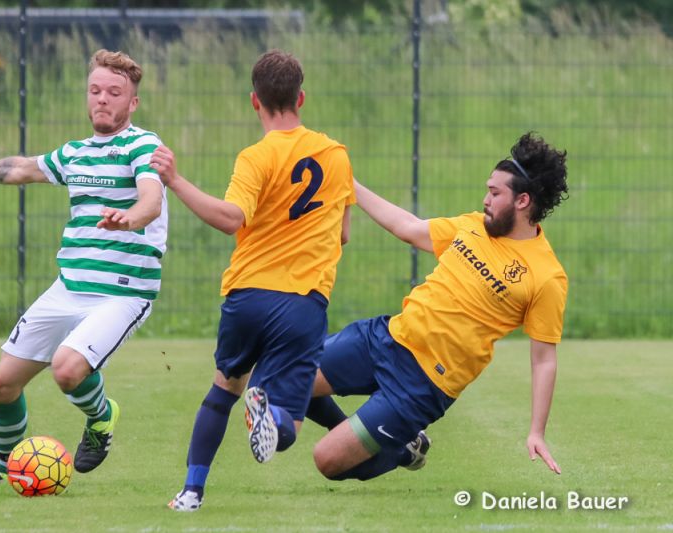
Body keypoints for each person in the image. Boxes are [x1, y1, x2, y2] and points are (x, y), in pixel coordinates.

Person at [150, 50, 356, 511]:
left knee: (224, 388)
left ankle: (191, 492)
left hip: (247, 296)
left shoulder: (256, 156)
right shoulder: (335, 155)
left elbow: (231, 218)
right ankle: (271, 416)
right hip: (301, 302)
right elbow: (342, 233)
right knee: (287, 427)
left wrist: (175, 181)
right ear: (301, 98)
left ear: (254, 100)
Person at [307, 132, 569, 482]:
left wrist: (536, 431)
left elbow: (544, 359)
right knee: (288, 378)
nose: (485, 200)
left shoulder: (546, 275)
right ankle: (369, 436)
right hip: (385, 339)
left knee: (326, 460)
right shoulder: (473, 225)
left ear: (522, 201)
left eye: (495, 193)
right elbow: (408, 227)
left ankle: (402, 450)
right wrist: (349, 184)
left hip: (423, 384)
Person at [0, 49, 167, 481]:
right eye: (95, 90)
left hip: (122, 291)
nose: (102, 99)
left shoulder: (142, 145)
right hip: (69, 287)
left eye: (114, 92)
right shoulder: (75, 153)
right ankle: (9, 468)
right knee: (1, 384)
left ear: (133, 102)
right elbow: (20, 169)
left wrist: (128, 218)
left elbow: (151, 200)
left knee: (66, 368)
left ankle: (101, 418)